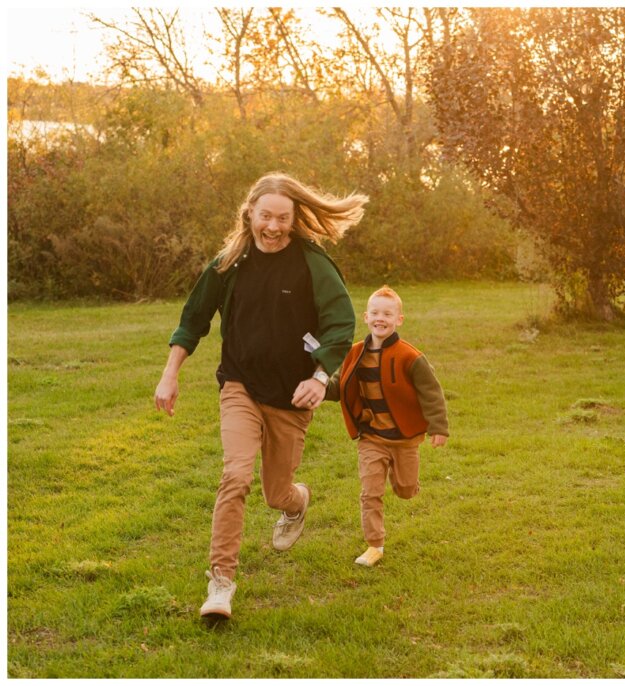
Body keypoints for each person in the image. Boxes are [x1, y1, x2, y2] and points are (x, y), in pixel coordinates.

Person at [154, 172, 367, 620]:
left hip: (292, 396)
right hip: (240, 385)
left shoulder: (313, 263)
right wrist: (170, 374)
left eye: (282, 218)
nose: (272, 226)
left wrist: (319, 376)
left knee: (276, 493)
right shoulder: (228, 262)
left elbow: (340, 321)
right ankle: (220, 583)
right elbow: (193, 319)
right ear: (249, 213)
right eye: (265, 216)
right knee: (235, 476)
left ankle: (297, 501)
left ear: (294, 219)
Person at [324, 285, 449, 567]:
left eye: (388, 314)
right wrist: (316, 388)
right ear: (366, 317)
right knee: (370, 492)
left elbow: (431, 392)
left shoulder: (410, 356)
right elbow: (337, 386)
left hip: (404, 438)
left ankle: (403, 479)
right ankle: (374, 545)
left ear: (399, 320)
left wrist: (438, 427)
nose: (381, 318)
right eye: (376, 313)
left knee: (405, 490)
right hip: (371, 437)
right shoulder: (354, 353)